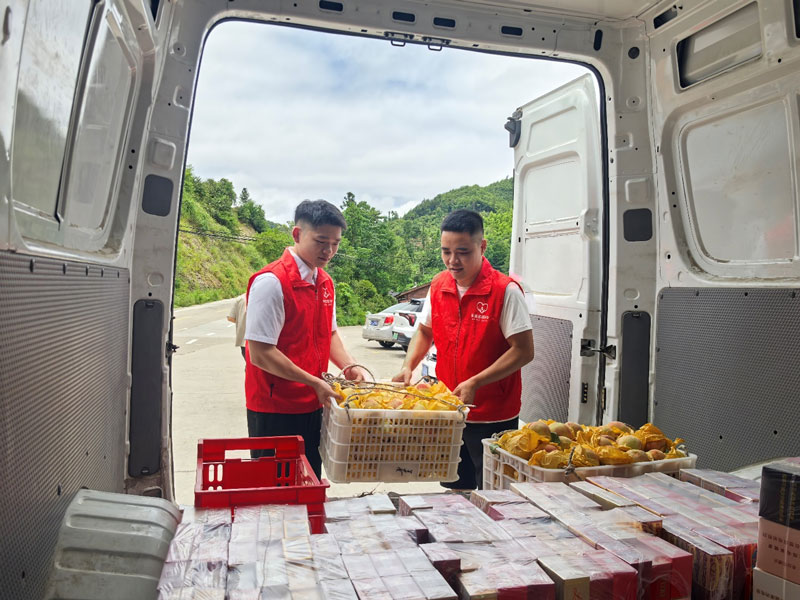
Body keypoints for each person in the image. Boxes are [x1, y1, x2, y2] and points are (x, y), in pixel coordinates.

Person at [393, 209, 535, 490]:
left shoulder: (505, 291)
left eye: (462, 252)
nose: (452, 261)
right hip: (450, 409)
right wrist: (408, 365)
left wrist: (477, 381)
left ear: (481, 247)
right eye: (446, 251)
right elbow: (425, 331)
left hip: (494, 413)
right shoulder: (439, 285)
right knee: (456, 490)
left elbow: (523, 351)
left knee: (495, 490)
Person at [244, 200, 367, 477]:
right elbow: (261, 353)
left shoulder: (324, 281)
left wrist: (349, 365)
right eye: (321, 241)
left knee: (309, 479)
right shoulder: (271, 282)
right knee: (277, 489)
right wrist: (313, 381)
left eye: (335, 243)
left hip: (315, 401)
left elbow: (330, 333)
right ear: (297, 234)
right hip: (276, 409)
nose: (329, 251)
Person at [227, 294, 247, 360]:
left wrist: (241, 322)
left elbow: (230, 318)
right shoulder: (263, 297)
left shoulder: (240, 299)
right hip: (259, 340)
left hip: (244, 339)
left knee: (248, 365)